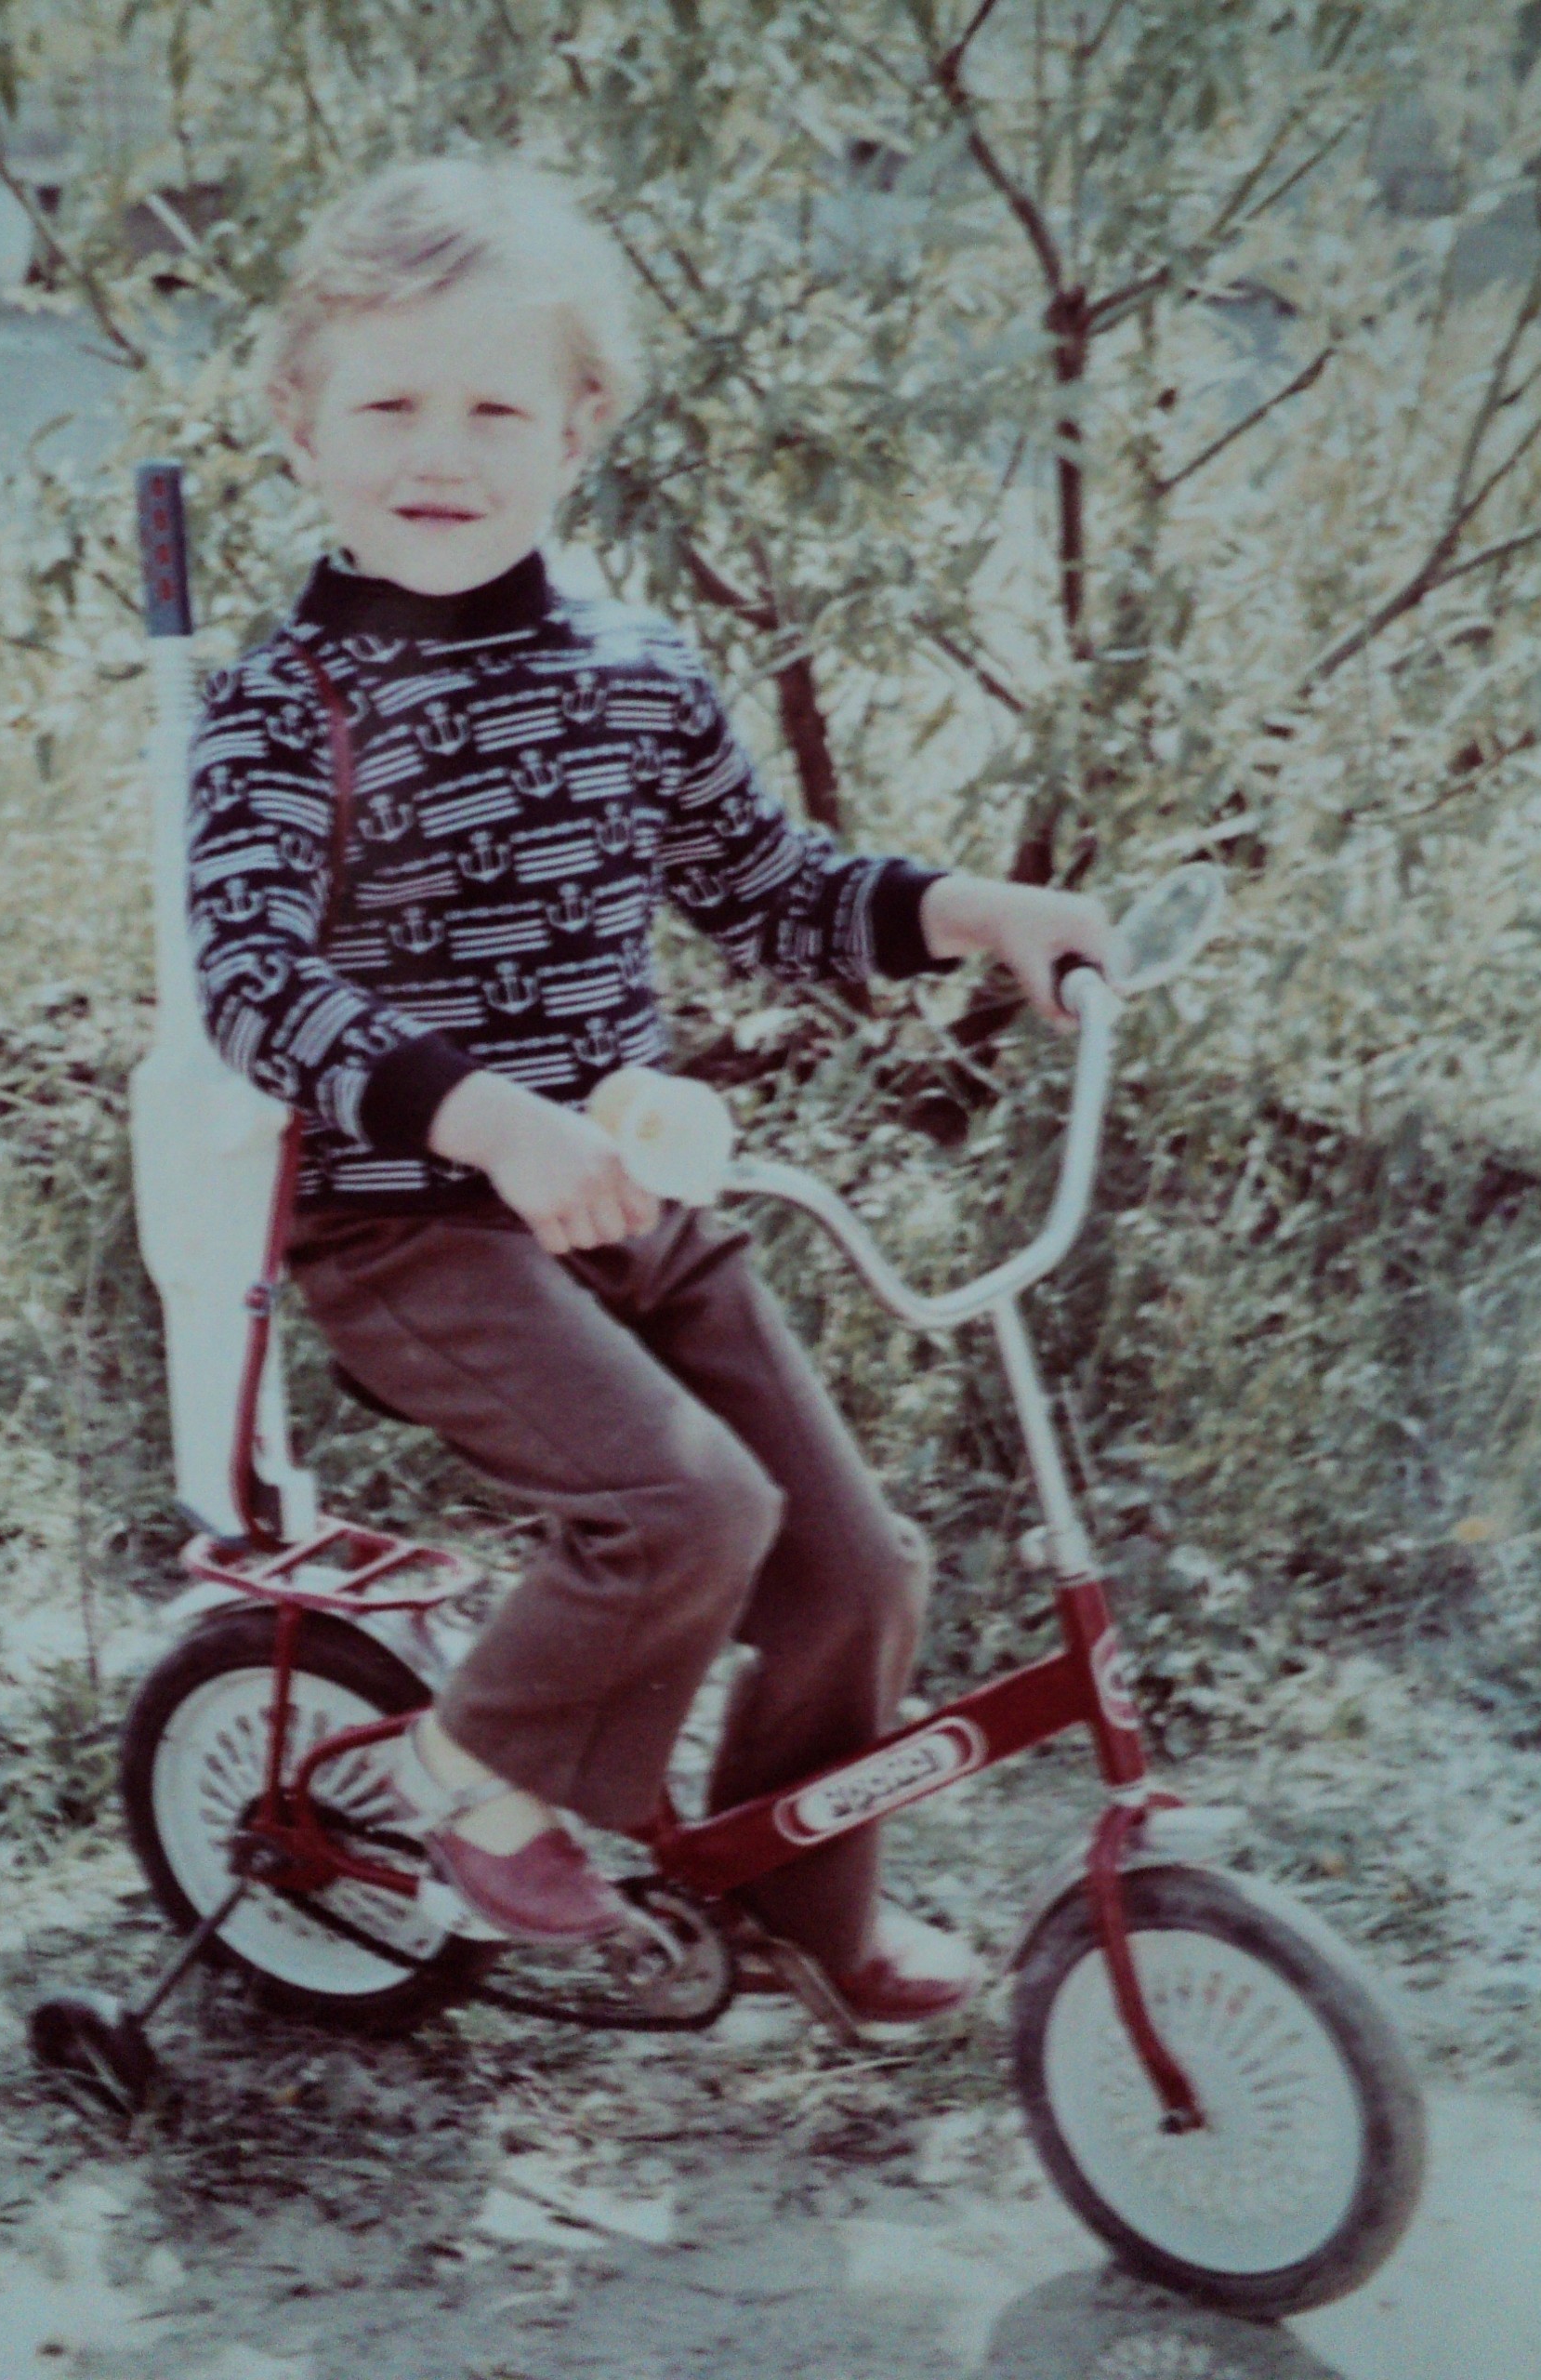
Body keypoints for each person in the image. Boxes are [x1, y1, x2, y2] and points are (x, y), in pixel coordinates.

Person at [187, 156, 1113, 2024]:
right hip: (415, 1230)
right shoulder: (289, 703)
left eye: (495, 405)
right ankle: (461, 1772)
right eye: (387, 402)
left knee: (851, 1559)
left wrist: (977, 909)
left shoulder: (634, 670)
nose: (438, 449)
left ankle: (800, 1903)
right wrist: (488, 1118)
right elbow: (253, 983)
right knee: (685, 1507)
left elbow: (776, 890)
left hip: (628, 1202)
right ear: (300, 420)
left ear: (579, 425)